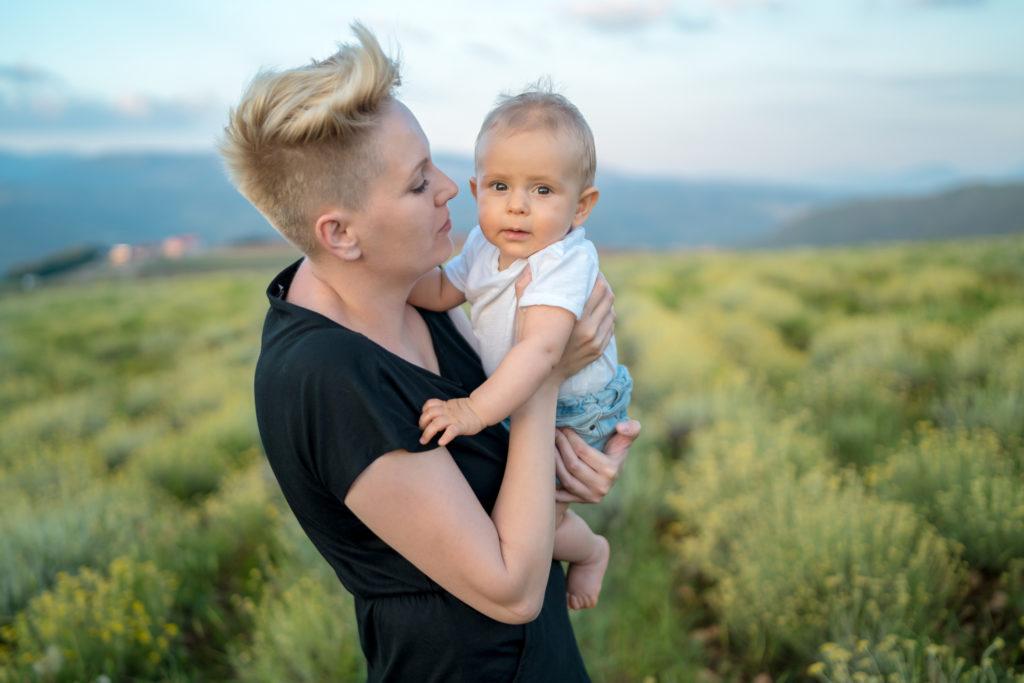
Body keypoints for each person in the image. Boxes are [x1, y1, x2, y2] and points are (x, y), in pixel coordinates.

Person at [219, 23, 640, 683]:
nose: (452, 188)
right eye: (418, 183)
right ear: (340, 232)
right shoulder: (325, 378)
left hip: (544, 654)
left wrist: (567, 476)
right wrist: (544, 382)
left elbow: (499, 484)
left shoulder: (407, 286)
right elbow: (509, 588)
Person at [408, 86, 632, 610]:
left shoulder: (561, 261)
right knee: (517, 508)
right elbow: (444, 291)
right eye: (501, 185)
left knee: (538, 520)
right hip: (522, 394)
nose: (516, 206)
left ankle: (593, 550)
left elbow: (541, 354)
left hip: (577, 410)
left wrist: (472, 411)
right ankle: (581, 546)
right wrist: (389, 279)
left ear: (581, 206)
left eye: (542, 191)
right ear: (476, 188)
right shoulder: (488, 244)